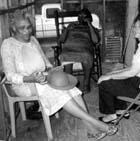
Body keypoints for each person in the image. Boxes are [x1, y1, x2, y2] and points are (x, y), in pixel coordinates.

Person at [1, 11, 117, 140]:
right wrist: (31, 78)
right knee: (61, 93)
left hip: (43, 76)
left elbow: (44, 60)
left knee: (72, 90)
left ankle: (90, 129)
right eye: (22, 28)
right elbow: (10, 75)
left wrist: (52, 69)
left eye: (29, 27)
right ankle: (97, 124)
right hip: (25, 83)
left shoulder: (33, 40)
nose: (27, 31)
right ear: (13, 29)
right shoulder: (8, 44)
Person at [97, 13, 140, 123]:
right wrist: (113, 74)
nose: (135, 29)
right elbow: (134, 68)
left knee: (104, 84)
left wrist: (107, 77)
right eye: (135, 26)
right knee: (115, 78)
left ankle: (111, 115)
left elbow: (132, 72)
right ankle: (122, 109)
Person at [59, 8, 100, 93]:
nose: (81, 18)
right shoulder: (72, 26)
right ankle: (69, 84)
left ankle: (86, 85)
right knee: (66, 55)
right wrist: (67, 29)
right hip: (69, 48)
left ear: (89, 18)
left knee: (86, 56)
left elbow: (95, 40)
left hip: (84, 49)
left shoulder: (91, 28)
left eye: (84, 16)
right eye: (79, 16)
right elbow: (61, 40)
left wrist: (89, 24)